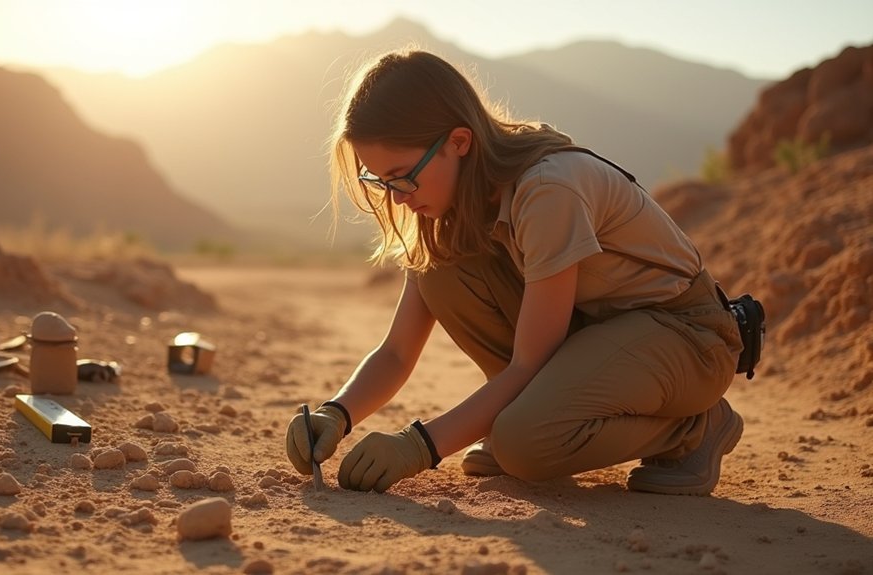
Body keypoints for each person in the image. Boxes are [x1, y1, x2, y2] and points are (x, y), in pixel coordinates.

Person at [285, 49, 744, 496]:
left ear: (458, 142)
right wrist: (335, 414)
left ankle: (694, 428)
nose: (397, 196)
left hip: (688, 336)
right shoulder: (447, 207)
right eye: (380, 180)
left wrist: (419, 446)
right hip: (606, 334)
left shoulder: (547, 190)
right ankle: (529, 420)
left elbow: (530, 361)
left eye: (403, 175)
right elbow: (396, 353)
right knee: (440, 271)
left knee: (524, 445)